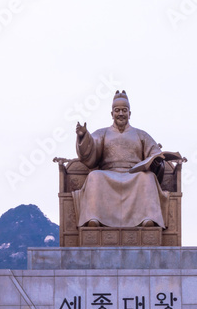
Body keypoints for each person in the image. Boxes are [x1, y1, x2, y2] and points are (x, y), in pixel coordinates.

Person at [72, 90, 171, 229]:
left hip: (134, 174)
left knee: (147, 178)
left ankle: (148, 218)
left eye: (124, 110)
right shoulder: (102, 133)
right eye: (117, 110)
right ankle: (93, 218)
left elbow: (154, 152)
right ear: (112, 113)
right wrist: (83, 136)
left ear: (129, 113)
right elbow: (90, 151)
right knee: (94, 176)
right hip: (108, 173)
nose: (120, 114)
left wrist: (157, 159)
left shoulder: (141, 134)